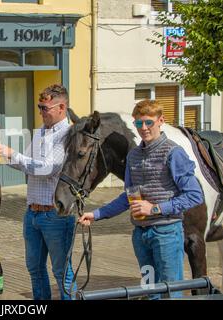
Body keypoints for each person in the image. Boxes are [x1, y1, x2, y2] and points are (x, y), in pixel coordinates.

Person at [79, 99, 203, 299]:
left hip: (167, 234)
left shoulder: (173, 153)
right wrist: (96, 214)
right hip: (141, 236)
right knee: (149, 292)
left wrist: (154, 209)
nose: (143, 128)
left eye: (149, 122)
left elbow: (194, 195)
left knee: (172, 293)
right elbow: (128, 196)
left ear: (160, 121)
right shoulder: (134, 156)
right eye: (139, 123)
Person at [0, 84, 75, 300]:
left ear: (61, 107)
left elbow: (47, 168)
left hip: (56, 215)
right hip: (33, 213)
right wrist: (3, 155)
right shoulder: (41, 132)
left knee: (62, 272)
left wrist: (13, 154)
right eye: (39, 107)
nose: (40, 112)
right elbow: (26, 165)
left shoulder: (68, 135)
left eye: (45, 108)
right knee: (35, 270)